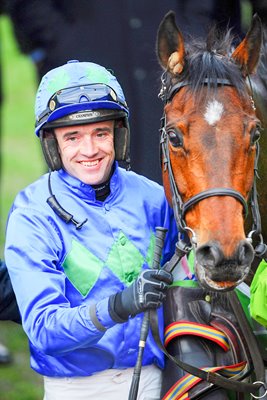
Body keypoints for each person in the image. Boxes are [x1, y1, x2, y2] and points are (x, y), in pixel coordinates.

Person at [4, 60, 178, 399]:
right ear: (52, 144)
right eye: (73, 137)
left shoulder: (154, 198)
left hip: (160, 379)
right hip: (78, 388)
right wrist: (118, 305)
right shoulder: (32, 213)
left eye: (101, 133)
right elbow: (44, 329)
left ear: (118, 133)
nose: (90, 150)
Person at [4, 0, 249, 184]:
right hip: (83, 46)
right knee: (87, 162)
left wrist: (201, 23)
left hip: (181, 45)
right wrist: (52, 38)